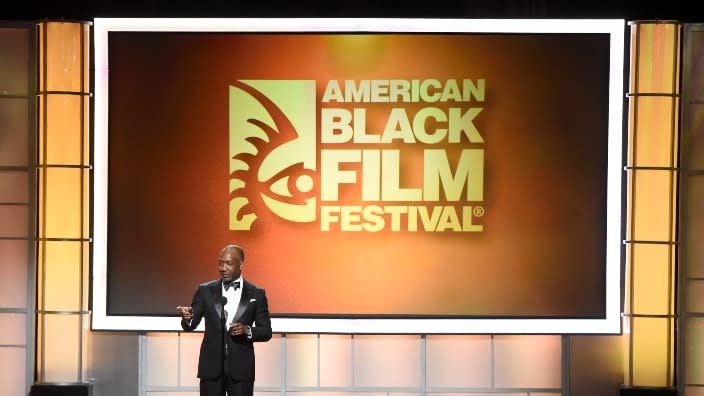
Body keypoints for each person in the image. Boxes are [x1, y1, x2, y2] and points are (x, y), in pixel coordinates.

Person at [177, 244, 272, 396]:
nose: (223, 268)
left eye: (229, 263)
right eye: (220, 263)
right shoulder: (205, 290)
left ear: (241, 264)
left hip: (241, 370)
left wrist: (247, 330)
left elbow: (266, 331)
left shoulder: (257, 294)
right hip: (211, 368)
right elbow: (191, 324)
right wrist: (187, 318)